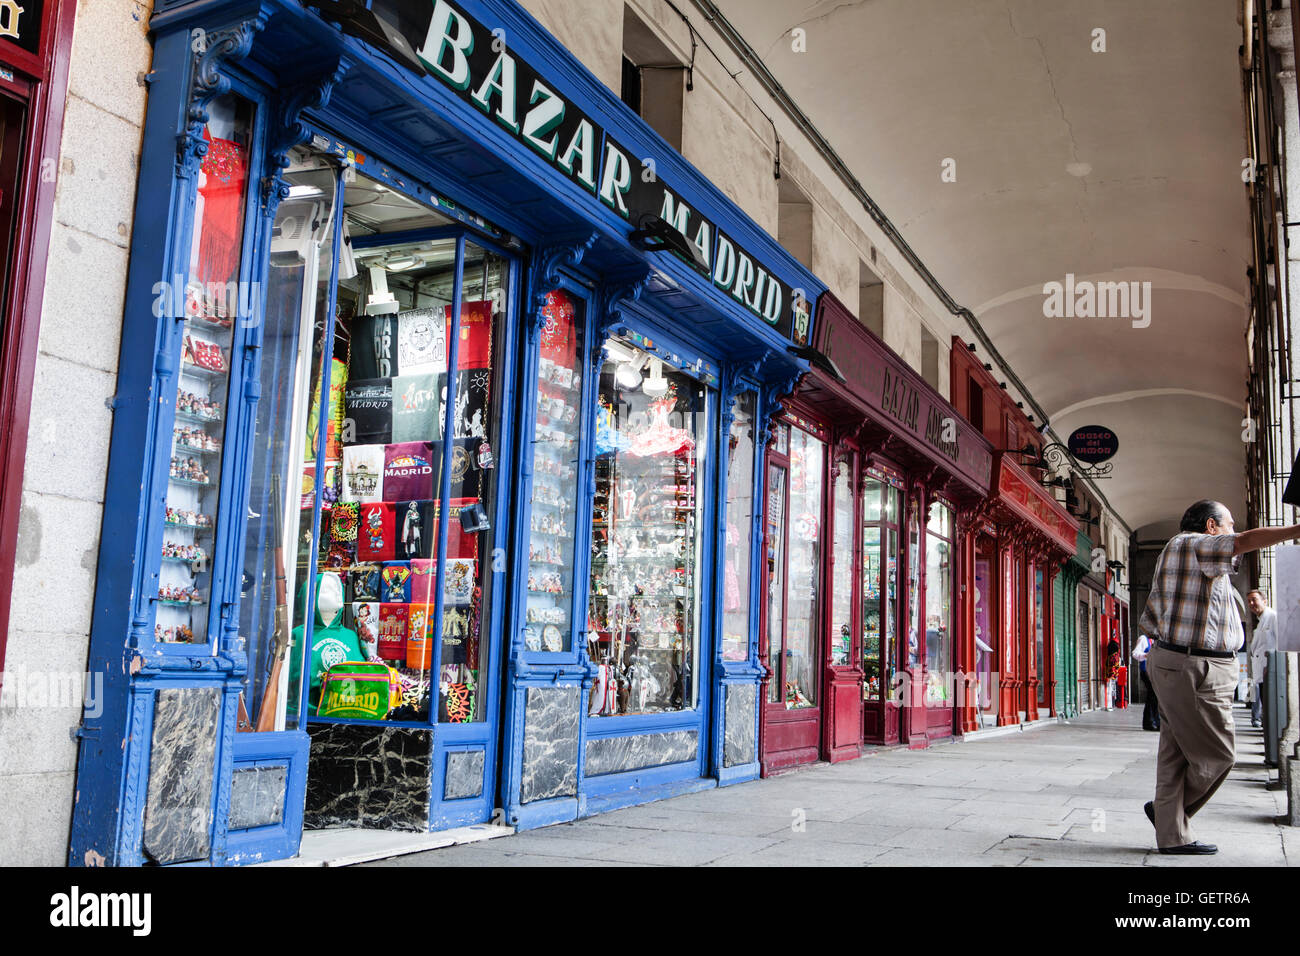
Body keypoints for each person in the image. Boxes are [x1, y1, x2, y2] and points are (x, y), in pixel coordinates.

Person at [1138, 499, 1300, 855]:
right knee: (1220, 755)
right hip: (1194, 667)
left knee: (1176, 753)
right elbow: (1242, 542)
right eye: (1228, 525)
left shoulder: (1194, 558)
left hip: (1182, 662)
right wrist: (1296, 530)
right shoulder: (1192, 543)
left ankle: (1172, 835)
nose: (1232, 533)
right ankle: (1168, 815)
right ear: (1211, 527)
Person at [1246, 589, 1277, 729]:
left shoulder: (1273, 617)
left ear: (1265, 601)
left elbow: (1279, 645)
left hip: (1270, 671)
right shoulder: (1261, 622)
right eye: (1249, 601)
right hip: (1262, 674)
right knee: (1265, 705)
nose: (1251, 603)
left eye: (1254, 600)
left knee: (1271, 707)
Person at [1132, 634, 1159, 731]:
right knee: (1153, 695)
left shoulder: (1157, 641)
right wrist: (1146, 655)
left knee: (1154, 696)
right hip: (1146, 671)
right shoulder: (1143, 639)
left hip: (1155, 671)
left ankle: (1153, 721)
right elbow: (1135, 653)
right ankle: (1150, 722)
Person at [1104, 637, 1121, 710]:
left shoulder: (1110, 656)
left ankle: (1109, 704)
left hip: (1109, 672)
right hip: (1113, 673)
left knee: (1109, 688)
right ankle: (1110, 704)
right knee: (1111, 689)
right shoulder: (1115, 656)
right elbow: (1116, 665)